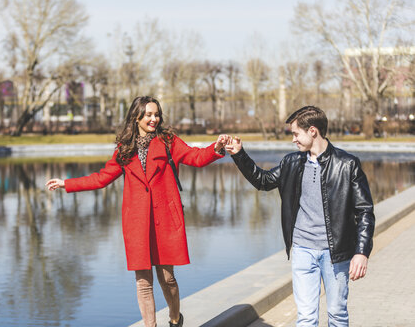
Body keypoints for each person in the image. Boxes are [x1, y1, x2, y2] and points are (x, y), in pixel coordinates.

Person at [46, 96, 229, 327]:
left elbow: (195, 156)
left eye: (156, 114)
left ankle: (175, 319)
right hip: (137, 222)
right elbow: (102, 178)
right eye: (149, 115)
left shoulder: (168, 141)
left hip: (165, 219)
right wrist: (67, 183)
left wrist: (216, 147)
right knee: (143, 283)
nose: (154, 119)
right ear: (136, 117)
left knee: (167, 279)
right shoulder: (125, 148)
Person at [224, 106, 375, 327]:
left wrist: (361, 252)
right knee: (306, 318)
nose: (293, 139)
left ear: (312, 131)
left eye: (296, 133)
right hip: (303, 250)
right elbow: (263, 181)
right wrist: (239, 154)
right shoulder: (292, 163)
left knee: (337, 314)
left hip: (337, 254)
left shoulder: (347, 164)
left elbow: (364, 211)